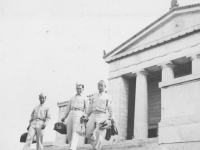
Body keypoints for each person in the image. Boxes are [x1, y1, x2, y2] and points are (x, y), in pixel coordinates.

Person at [86, 80, 114, 150]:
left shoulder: (107, 97)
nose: (100, 87)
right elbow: (90, 108)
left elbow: (110, 108)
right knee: (88, 133)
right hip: (93, 115)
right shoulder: (93, 96)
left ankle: (97, 148)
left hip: (101, 115)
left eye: (102, 85)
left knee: (100, 134)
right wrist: (86, 116)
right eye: (99, 85)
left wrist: (112, 117)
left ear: (105, 86)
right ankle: (95, 146)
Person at [61, 82, 88, 150]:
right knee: (69, 132)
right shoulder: (72, 98)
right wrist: (64, 117)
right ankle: (71, 147)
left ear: (83, 89)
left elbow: (87, 109)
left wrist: (85, 117)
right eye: (77, 88)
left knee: (75, 131)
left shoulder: (85, 98)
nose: (79, 90)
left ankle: (72, 148)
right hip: (71, 113)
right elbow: (67, 109)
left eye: (80, 88)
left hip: (79, 113)